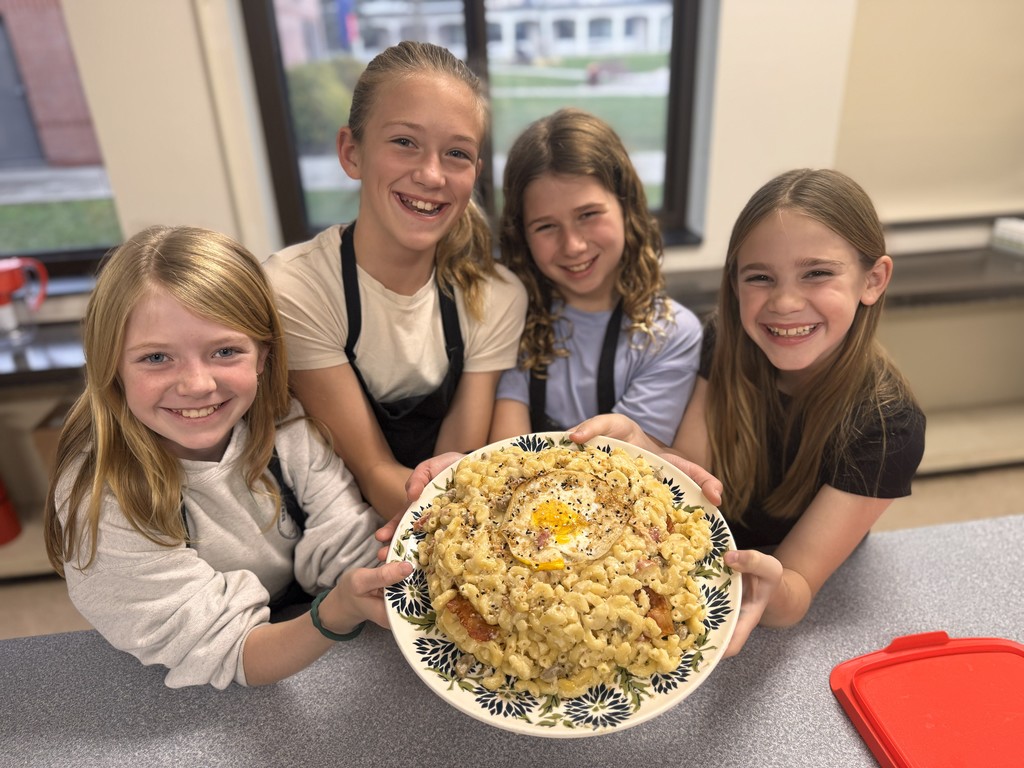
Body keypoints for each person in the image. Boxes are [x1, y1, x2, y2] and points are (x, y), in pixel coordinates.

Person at [572, 168, 926, 655]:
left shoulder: (889, 426)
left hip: (791, 605)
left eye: (817, 273)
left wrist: (768, 587)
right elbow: (695, 484)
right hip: (704, 569)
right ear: (734, 283)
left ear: (873, 279)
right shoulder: (722, 341)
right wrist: (643, 448)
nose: (784, 302)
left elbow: (798, 586)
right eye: (760, 277)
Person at [43, 225, 413, 689]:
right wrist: (335, 613)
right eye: (157, 358)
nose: (197, 385)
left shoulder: (287, 427)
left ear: (262, 355)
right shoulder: (103, 498)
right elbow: (229, 651)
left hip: (296, 633)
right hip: (177, 689)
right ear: (110, 364)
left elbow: (349, 551)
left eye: (225, 351)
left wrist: (430, 518)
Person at [262, 41, 527, 520]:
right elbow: (370, 468)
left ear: (475, 175)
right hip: (333, 535)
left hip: (435, 519)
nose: (431, 174)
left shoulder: (497, 296)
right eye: (405, 142)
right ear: (351, 152)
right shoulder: (295, 289)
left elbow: (452, 470)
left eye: (457, 154)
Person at [489, 108, 702, 444]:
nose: (573, 246)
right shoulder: (511, 316)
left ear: (627, 207)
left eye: (588, 214)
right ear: (522, 236)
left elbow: (635, 465)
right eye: (546, 226)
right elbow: (507, 453)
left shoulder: (671, 334)